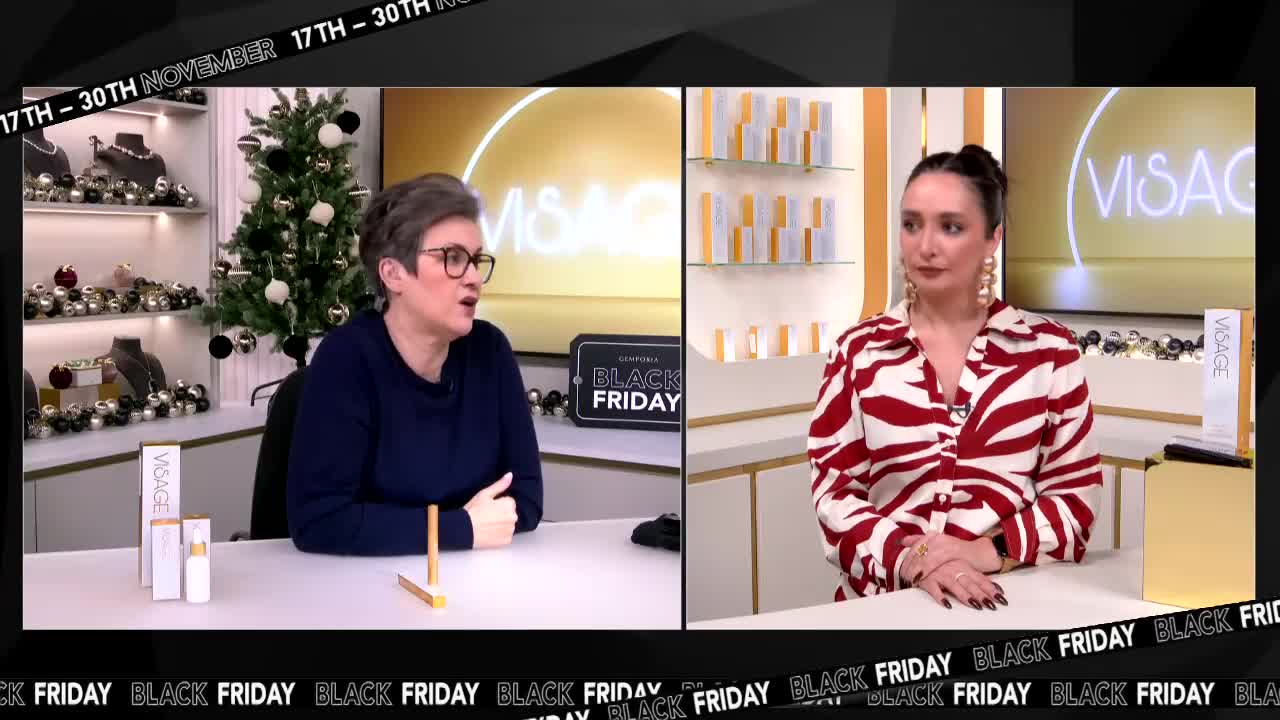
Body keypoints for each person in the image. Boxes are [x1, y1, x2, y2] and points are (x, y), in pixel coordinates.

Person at [807, 144, 1102, 611]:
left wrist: (982, 552)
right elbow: (834, 494)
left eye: (951, 227)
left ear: (993, 238)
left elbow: (1074, 500)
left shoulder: (1049, 351)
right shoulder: (857, 352)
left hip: (1008, 603)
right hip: (882, 607)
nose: (925, 246)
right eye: (911, 224)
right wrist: (919, 559)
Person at [287, 173, 543, 555]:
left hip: (475, 584)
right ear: (393, 274)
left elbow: (524, 501)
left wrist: (420, 528)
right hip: (363, 592)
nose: (473, 278)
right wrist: (461, 528)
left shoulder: (490, 350)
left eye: (475, 260)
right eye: (453, 258)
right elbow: (319, 520)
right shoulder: (347, 359)